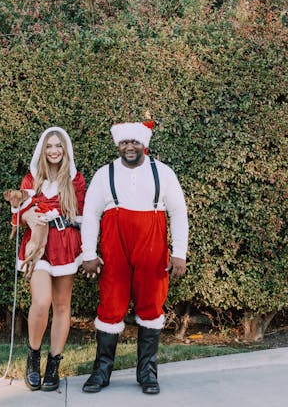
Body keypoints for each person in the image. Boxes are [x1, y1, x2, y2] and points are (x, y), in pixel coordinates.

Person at [80, 121, 188, 395]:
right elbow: (91, 214)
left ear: (144, 144)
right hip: (115, 249)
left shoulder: (163, 173)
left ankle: (148, 374)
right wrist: (89, 254)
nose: (129, 147)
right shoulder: (104, 175)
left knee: (152, 306)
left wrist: (179, 254)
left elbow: (178, 212)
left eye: (135, 142)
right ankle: (102, 371)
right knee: (110, 305)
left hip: (152, 248)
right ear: (118, 145)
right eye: (124, 143)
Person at [11, 127, 86, 392]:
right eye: (49, 146)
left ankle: (53, 364)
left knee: (62, 305)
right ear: (42, 150)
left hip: (65, 244)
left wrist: (88, 250)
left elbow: (81, 218)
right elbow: (17, 216)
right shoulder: (31, 180)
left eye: (59, 146)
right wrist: (27, 215)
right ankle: (33, 357)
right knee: (41, 302)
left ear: (66, 150)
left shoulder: (75, 180)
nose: (54, 151)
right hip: (38, 246)